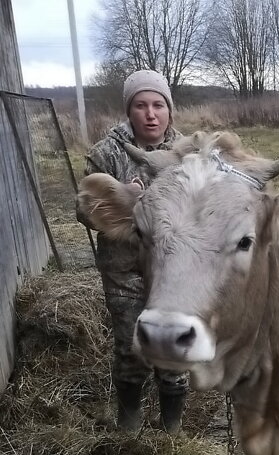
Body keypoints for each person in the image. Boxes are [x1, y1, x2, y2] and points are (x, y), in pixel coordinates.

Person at [78, 69, 188, 434]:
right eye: (141, 105)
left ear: (169, 109)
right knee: (130, 345)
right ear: (129, 110)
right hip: (123, 271)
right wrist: (122, 198)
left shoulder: (187, 153)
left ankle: (172, 429)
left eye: (159, 105)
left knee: (173, 349)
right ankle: (129, 425)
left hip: (174, 271)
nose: (151, 114)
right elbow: (83, 210)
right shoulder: (106, 152)